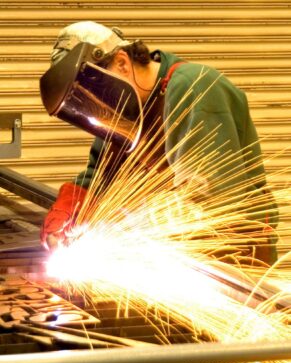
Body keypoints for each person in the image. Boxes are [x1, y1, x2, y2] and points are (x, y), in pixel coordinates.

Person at [40, 21, 279, 264]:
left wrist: (130, 232)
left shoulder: (193, 87)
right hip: (174, 258)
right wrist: (68, 211)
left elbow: (206, 199)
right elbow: (100, 175)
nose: (98, 107)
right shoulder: (123, 114)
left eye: (97, 94)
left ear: (122, 63)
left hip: (232, 258)